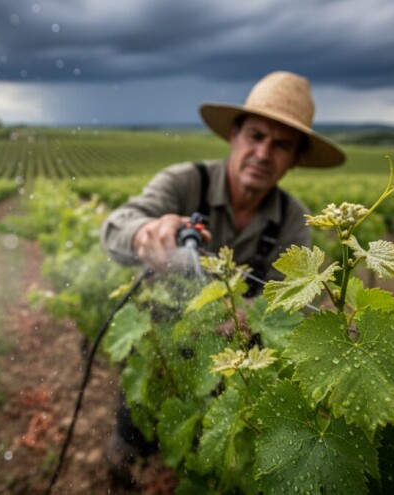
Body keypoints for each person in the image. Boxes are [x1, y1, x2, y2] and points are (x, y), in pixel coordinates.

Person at [98, 70, 346, 483]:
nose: (264, 153)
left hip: (234, 367)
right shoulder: (183, 182)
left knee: (213, 457)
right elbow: (115, 227)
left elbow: (299, 308)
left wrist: (256, 315)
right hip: (162, 351)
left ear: (295, 159)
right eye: (256, 136)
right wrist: (144, 233)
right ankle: (120, 471)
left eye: (281, 145)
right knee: (130, 439)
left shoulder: (291, 222)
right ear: (234, 135)